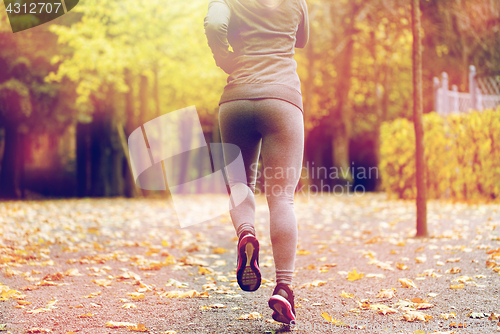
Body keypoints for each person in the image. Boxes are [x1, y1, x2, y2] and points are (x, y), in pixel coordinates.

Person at [204, 0, 308, 325]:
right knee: (281, 198)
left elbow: (213, 24)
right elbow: (302, 39)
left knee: (239, 185)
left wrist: (227, 60)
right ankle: (284, 288)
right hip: (282, 99)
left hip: (236, 98)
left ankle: (246, 233)